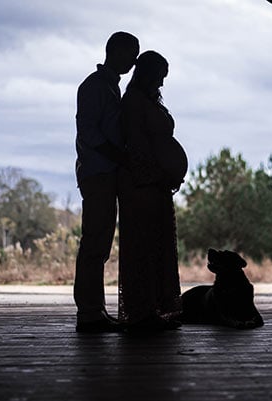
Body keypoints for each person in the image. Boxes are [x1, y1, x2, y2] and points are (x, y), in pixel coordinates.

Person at [73, 32, 140, 333]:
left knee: (100, 244)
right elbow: (89, 132)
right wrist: (119, 155)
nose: (134, 60)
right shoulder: (94, 87)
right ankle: (88, 312)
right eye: (131, 53)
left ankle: (94, 310)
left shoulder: (110, 87)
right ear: (115, 51)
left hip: (106, 172)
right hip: (97, 172)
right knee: (94, 243)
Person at [118, 50, 187, 332]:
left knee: (158, 245)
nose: (161, 84)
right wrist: (155, 174)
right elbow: (135, 145)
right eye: (159, 77)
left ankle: (156, 308)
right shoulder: (134, 102)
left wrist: (170, 173)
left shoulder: (147, 100)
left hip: (158, 184)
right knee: (143, 246)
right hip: (143, 184)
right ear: (147, 73)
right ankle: (141, 312)